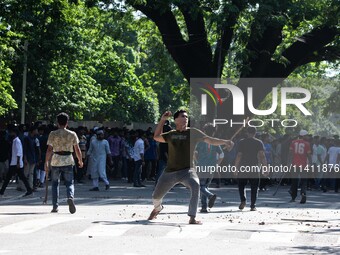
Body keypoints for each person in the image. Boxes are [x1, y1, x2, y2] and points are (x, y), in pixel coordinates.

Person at [148, 110, 234, 224]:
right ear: (176, 120)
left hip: (187, 170)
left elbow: (210, 140)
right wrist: (162, 120)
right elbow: (156, 137)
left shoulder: (193, 132)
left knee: (196, 185)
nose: (186, 118)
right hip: (170, 172)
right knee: (155, 197)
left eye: (187, 117)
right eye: (183, 116)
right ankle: (158, 208)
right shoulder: (171, 134)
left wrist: (225, 141)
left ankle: (192, 217)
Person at [45, 113, 83, 214]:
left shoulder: (53, 134)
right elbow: (77, 149)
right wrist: (80, 160)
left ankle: (55, 206)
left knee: (54, 184)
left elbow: (49, 149)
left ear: (57, 123)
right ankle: (70, 197)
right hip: (68, 160)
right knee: (69, 183)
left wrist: (46, 162)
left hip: (56, 160)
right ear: (67, 122)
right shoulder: (72, 134)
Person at [234, 126, 268, 211]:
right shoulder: (259, 142)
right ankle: (253, 206)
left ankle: (243, 200)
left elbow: (239, 155)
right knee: (254, 187)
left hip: (243, 166)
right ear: (255, 133)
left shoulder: (242, 142)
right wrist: (265, 168)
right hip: (254, 167)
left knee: (241, 185)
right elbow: (262, 156)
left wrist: (235, 167)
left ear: (247, 132)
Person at [194, 123, 224, 213]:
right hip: (211, 167)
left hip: (201, 166)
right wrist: (217, 164)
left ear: (204, 131)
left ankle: (210, 196)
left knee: (200, 186)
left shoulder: (200, 142)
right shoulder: (216, 143)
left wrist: (196, 162)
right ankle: (204, 207)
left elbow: (195, 153)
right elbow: (222, 155)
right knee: (205, 186)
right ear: (213, 132)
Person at [0, 128, 33, 197]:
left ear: (14, 133)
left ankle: (2, 191)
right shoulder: (15, 141)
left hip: (15, 163)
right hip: (15, 162)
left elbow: (19, 152)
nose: (10, 134)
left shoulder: (17, 141)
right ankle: (29, 190)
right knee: (21, 177)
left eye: (11, 133)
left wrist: (18, 162)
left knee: (9, 178)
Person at [288, 130, 312, 204]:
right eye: (307, 136)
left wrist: (288, 163)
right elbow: (309, 155)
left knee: (294, 181)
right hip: (303, 165)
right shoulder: (307, 144)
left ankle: (293, 196)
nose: (308, 137)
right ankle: (303, 193)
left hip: (294, 164)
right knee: (303, 180)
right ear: (304, 136)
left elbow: (290, 153)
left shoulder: (293, 142)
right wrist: (310, 164)